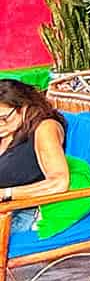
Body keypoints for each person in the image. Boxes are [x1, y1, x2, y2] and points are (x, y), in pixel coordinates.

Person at [0, 79, 70, 233]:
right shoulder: (8, 130)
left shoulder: (45, 128)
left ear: (25, 107)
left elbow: (59, 182)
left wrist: (6, 193)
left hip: (18, 213)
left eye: (3, 118)